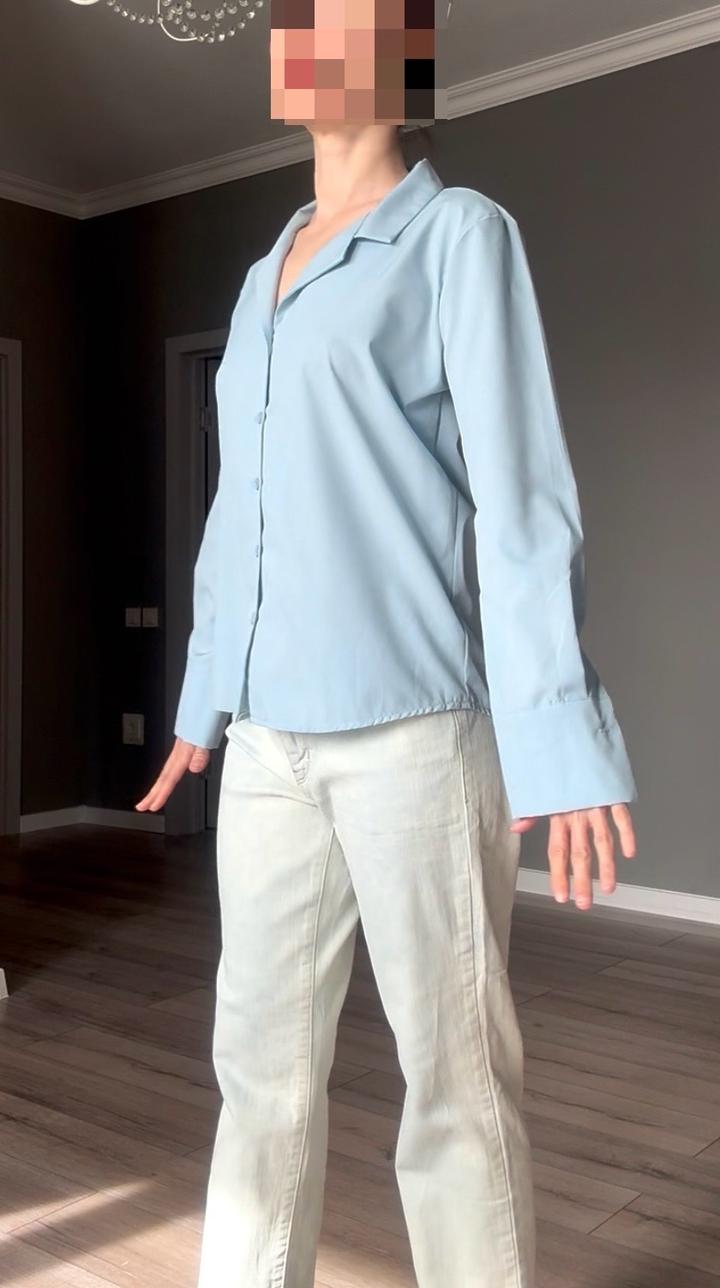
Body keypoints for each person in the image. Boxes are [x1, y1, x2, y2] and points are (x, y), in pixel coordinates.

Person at [137, 8, 638, 1286]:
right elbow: (236, 511)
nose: (308, 42)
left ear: (405, 60)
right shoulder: (261, 281)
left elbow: (523, 502)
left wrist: (560, 737)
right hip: (268, 749)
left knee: (454, 1086)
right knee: (257, 1081)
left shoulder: (459, 236)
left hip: (417, 736)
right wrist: (202, 701)